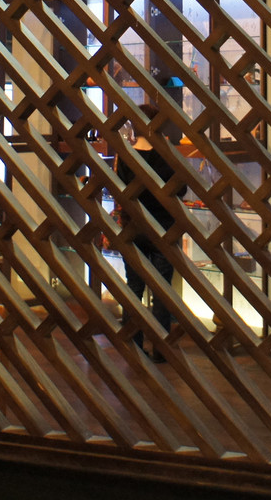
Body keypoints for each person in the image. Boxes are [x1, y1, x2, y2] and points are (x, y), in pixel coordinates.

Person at [114, 103, 188, 363]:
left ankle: (133, 345)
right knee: (162, 291)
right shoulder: (167, 156)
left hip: (133, 228)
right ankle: (161, 348)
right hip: (163, 229)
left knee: (134, 289)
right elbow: (181, 190)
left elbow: (120, 189)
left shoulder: (126, 155)